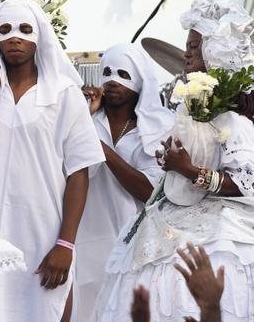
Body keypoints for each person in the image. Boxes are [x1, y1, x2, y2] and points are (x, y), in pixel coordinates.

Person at [95, 0, 254, 322]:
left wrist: (189, 170)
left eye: (194, 47)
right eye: (188, 47)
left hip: (223, 223)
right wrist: (172, 161)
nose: (187, 54)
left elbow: (244, 181)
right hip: (175, 211)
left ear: (215, 52)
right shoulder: (190, 112)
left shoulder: (234, 122)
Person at [0, 0, 104, 321]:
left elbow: (79, 173)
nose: (14, 37)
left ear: (38, 37)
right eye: (5, 29)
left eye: (24, 29)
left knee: (46, 310)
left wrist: (66, 244)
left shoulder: (64, 93)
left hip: (45, 234)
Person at [76, 43, 173, 321]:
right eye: (107, 72)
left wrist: (104, 151)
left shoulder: (160, 126)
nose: (113, 80)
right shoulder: (88, 118)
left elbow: (151, 191)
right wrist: (86, 116)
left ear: (140, 80)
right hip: (88, 233)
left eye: (123, 73)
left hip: (135, 237)